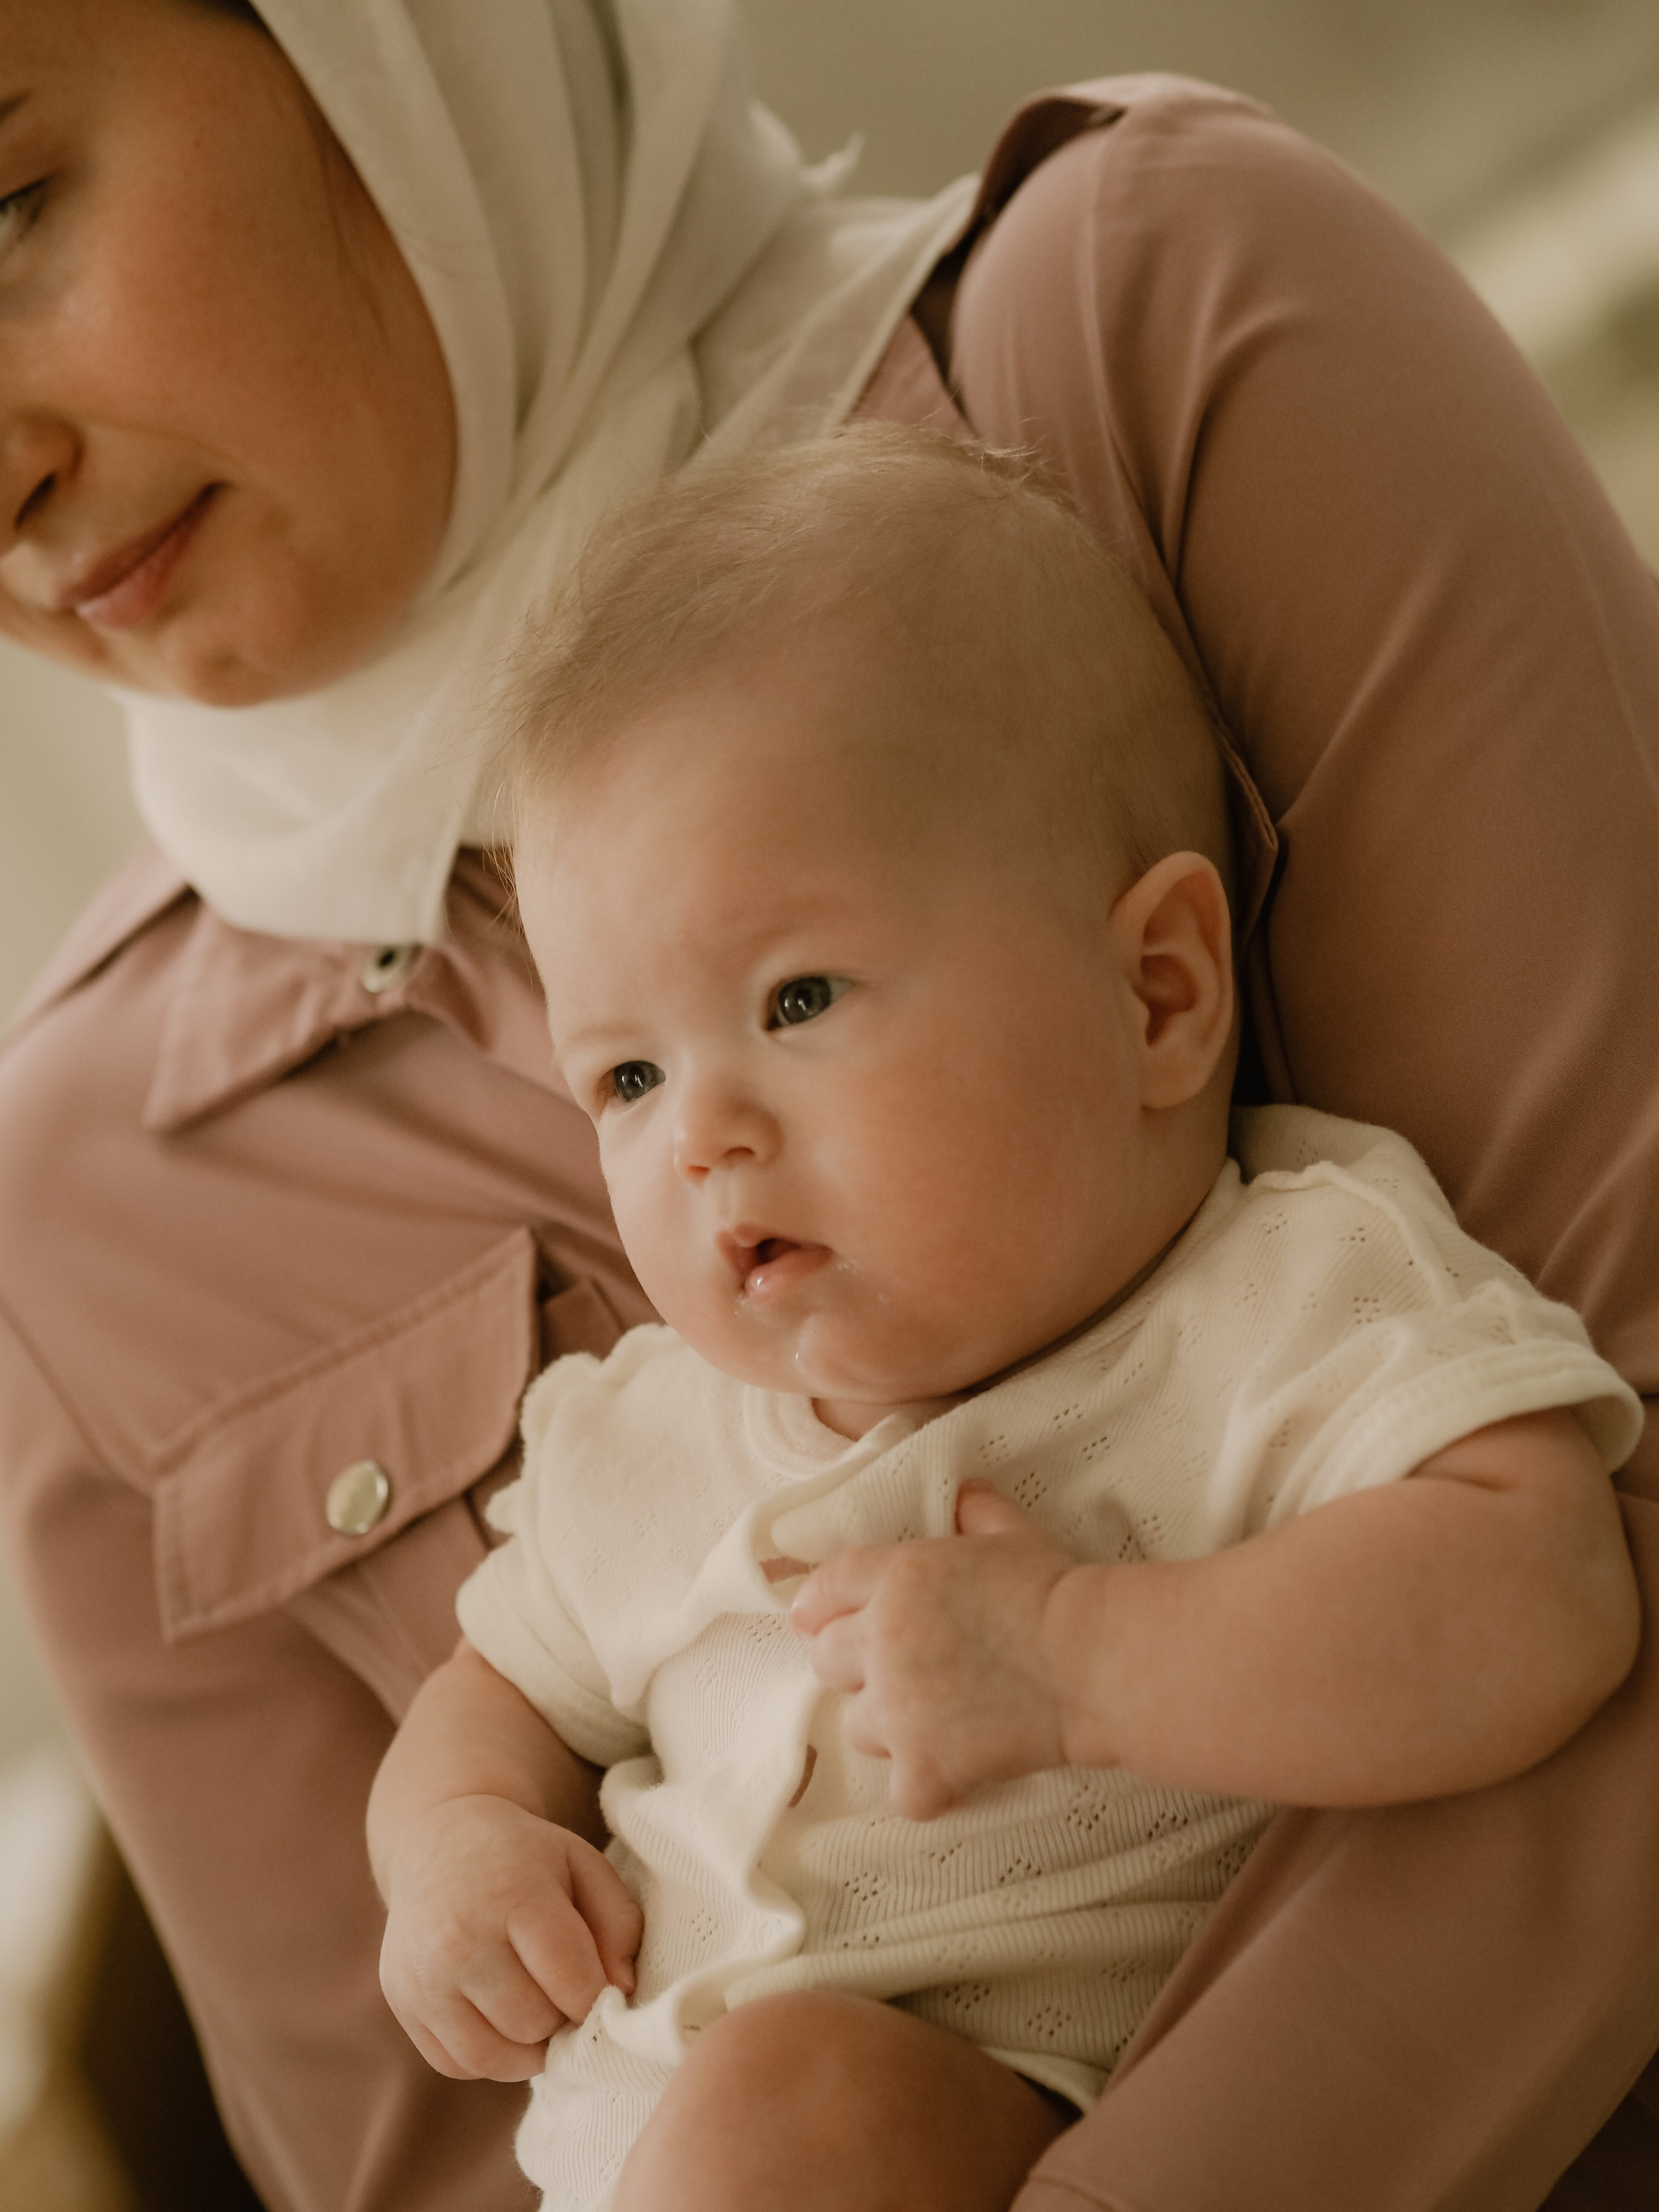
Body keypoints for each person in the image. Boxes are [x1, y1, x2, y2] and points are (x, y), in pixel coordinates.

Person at [0, 2, 1654, 2208]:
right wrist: (471, 1866)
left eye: (9, 210)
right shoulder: (82, 1203)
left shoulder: (1154, 325)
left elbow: (1603, 1527)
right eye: (622, 1068)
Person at [365, 430, 1646, 2212]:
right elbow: (495, 1690)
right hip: (616, 2152)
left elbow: (1548, 1595)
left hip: (989, 2136)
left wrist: (1080, 1661)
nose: (702, 1132)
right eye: (629, 1075)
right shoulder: (641, 1430)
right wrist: (457, 1853)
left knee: (788, 2115)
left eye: (798, 996)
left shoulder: (1271, 1301)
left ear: (1160, 995)